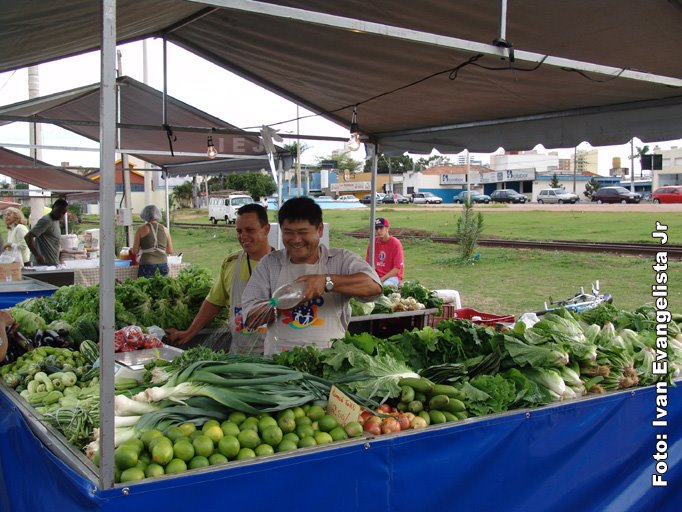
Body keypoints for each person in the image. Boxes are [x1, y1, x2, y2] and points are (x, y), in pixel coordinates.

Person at [242, 196, 382, 356]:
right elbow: (250, 318)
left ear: (320, 230)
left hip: (330, 362)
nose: (295, 240)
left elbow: (373, 287)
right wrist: (285, 302)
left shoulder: (340, 260)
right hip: (279, 365)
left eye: (303, 232)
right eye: (288, 232)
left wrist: (327, 282)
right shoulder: (270, 264)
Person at [165, 203, 273, 353]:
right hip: (239, 355)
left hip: (275, 355)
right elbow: (214, 302)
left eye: (250, 230)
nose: (243, 236)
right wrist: (189, 332)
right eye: (239, 231)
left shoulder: (284, 265)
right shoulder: (231, 263)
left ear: (266, 229)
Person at [131, 205, 174, 278]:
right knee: (161, 287)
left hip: (147, 263)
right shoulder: (165, 229)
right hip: (162, 263)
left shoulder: (141, 229)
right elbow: (170, 251)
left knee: (146, 287)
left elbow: (135, 251)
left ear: (144, 215)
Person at [25, 198, 68, 266]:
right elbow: (28, 236)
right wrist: (37, 255)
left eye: (63, 213)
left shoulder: (55, 220)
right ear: (53, 207)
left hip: (52, 263)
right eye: (58, 211)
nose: (60, 215)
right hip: (43, 265)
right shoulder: (46, 220)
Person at [365, 217, 404, 288]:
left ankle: (396, 287)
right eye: (376, 228)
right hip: (376, 276)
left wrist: (381, 280)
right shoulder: (372, 243)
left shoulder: (395, 243)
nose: (378, 231)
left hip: (392, 277)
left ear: (387, 228)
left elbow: (397, 268)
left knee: (385, 286)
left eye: (381, 228)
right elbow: (368, 264)